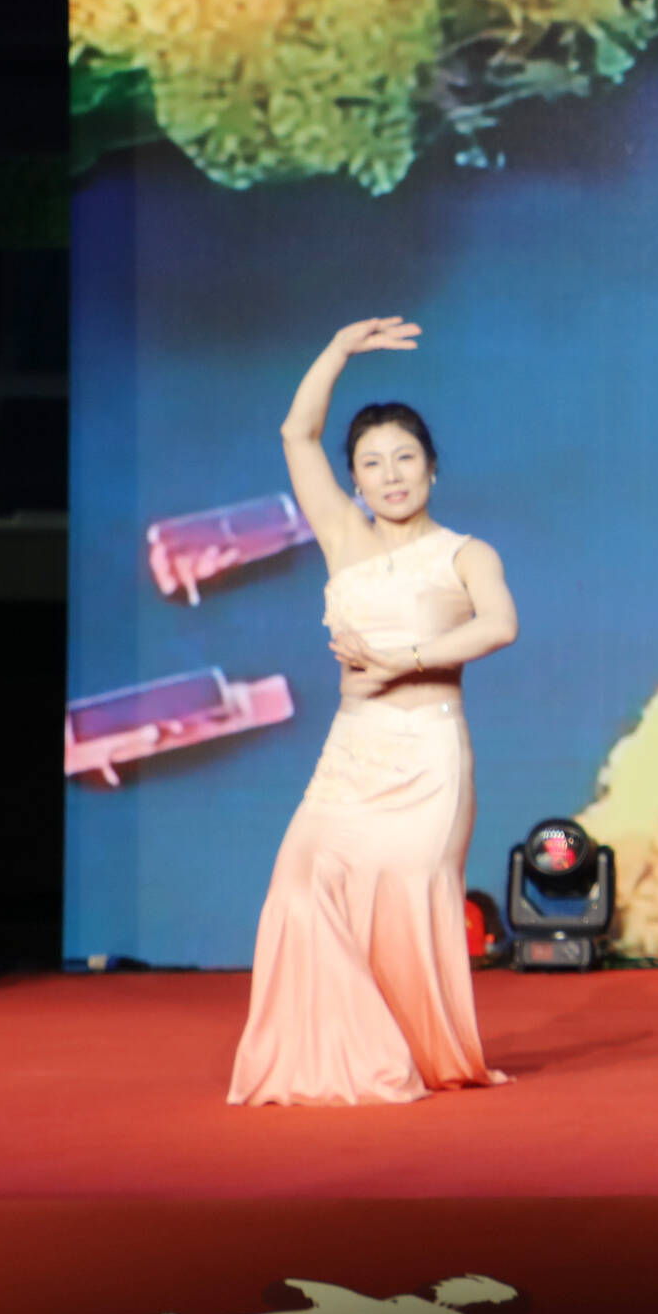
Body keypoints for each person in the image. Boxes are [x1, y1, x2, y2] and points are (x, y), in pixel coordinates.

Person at [227, 315, 518, 1107]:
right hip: (352, 753)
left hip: (428, 755)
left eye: (405, 457)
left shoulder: (466, 553)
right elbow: (297, 433)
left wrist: (407, 657)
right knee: (298, 887)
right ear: (354, 480)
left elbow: (500, 624)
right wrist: (337, 350)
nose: (391, 475)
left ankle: (414, 1052)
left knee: (403, 904)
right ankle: (336, 1054)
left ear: (432, 467)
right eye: (372, 463)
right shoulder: (342, 536)